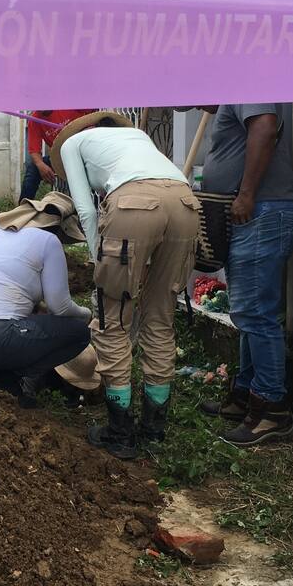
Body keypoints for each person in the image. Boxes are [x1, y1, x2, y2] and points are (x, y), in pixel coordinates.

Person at [54, 112, 200, 459]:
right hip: (186, 203)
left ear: (86, 131)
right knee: (160, 318)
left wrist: (99, 258)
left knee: (111, 320)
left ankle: (120, 431)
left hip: (133, 206)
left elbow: (86, 210)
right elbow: (157, 197)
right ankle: (155, 428)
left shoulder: (75, 143)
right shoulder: (137, 138)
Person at [196, 103, 293, 446]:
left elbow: (264, 128)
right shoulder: (238, 85)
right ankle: (245, 395)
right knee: (247, 311)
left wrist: (246, 195)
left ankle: (271, 409)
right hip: (254, 212)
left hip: (261, 209)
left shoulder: (252, 74)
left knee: (256, 313)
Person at [0, 192, 92, 407]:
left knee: (32, 324)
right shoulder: (49, 241)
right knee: (78, 333)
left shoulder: (2, 233)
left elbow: (11, 288)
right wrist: (86, 314)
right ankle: (7, 379)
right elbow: (60, 307)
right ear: (60, 228)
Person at [19, 109, 96, 201]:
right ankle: (23, 209)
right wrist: (40, 165)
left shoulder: (67, 103)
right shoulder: (35, 119)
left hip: (84, 151)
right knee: (33, 168)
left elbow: (93, 113)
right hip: (61, 157)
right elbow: (34, 150)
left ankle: (96, 204)